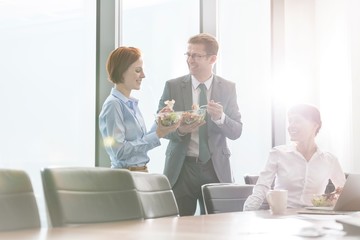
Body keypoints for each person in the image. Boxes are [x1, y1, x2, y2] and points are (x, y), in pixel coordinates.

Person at [157, 33, 243, 216]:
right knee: (178, 228)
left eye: (196, 55)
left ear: (213, 59)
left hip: (215, 168)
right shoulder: (172, 86)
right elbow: (160, 128)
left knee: (217, 227)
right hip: (181, 169)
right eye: (188, 54)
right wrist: (180, 129)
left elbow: (236, 131)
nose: (190, 60)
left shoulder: (228, 88)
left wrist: (221, 118)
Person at [243, 104, 346, 211]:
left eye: (297, 121)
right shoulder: (278, 153)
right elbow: (262, 188)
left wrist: (333, 199)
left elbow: (344, 192)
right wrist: (246, 213)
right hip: (283, 217)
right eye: (290, 121)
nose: (291, 126)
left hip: (315, 219)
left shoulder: (330, 160)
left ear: (314, 125)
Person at [99, 46, 180, 172]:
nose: (143, 75)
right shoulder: (113, 105)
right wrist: (158, 134)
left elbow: (140, 142)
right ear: (121, 71)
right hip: (125, 176)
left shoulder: (130, 104)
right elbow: (119, 151)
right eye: (138, 70)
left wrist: (159, 122)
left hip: (140, 173)